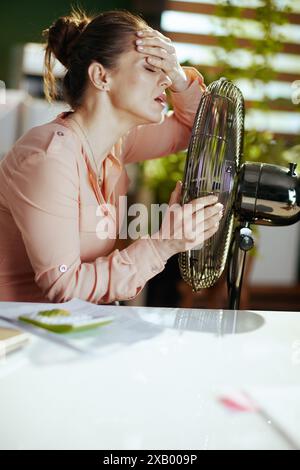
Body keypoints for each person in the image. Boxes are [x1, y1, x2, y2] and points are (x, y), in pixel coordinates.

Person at [0, 8, 223, 304]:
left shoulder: (115, 143)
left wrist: (181, 77)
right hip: (20, 335)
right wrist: (163, 244)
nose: (165, 81)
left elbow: (199, 128)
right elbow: (65, 289)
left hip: (76, 329)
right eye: (149, 67)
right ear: (101, 76)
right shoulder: (48, 161)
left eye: (164, 68)